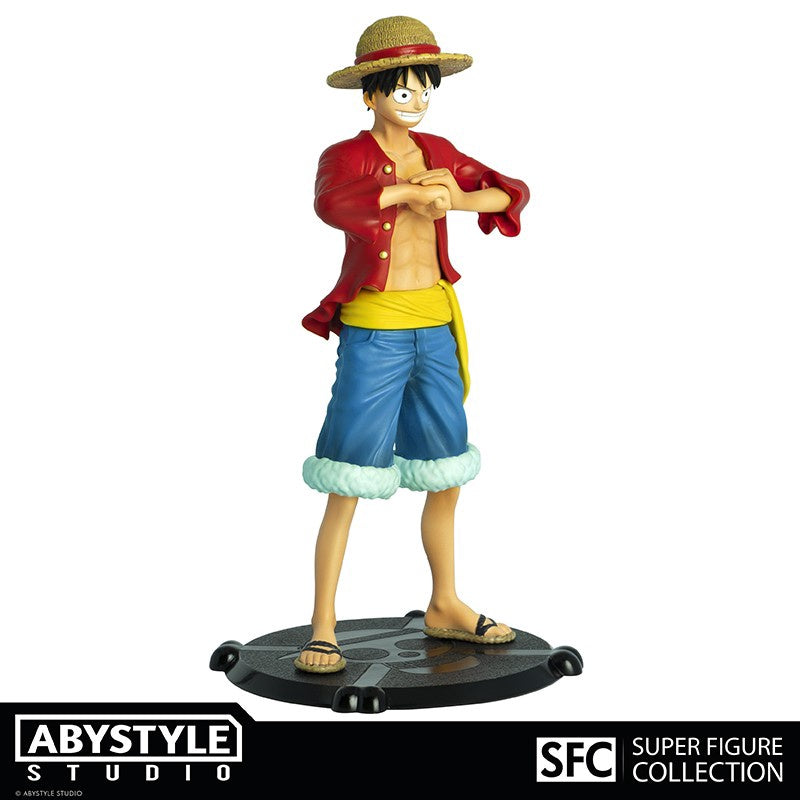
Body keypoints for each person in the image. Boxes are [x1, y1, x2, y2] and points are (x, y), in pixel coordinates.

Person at [296, 16, 530, 673]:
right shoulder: (345, 156)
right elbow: (335, 205)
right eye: (404, 90)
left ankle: (445, 602)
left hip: (435, 325)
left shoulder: (439, 150)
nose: (417, 101)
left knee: (445, 470)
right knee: (346, 476)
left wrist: (449, 197)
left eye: (425, 89)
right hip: (376, 328)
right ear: (371, 95)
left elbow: (507, 192)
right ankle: (323, 625)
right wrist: (407, 192)